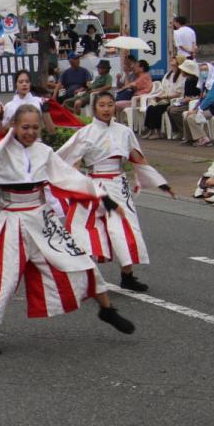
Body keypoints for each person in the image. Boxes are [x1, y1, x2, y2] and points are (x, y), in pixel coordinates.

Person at [0, 105, 136, 355]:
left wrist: (104, 199)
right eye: (25, 127)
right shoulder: (1, 148)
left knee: (80, 261)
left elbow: (69, 177)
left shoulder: (43, 152)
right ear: (14, 126)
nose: (30, 132)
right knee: (0, 276)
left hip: (43, 219)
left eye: (35, 127)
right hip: (12, 220)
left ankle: (107, 310)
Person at [57, 91, 174, 292]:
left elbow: (138, 159)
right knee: (83, 230)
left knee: (123, 230)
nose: (106, 109)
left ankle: (127, 275)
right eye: (102, 105)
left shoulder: (124, 131)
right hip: (94, 186)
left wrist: (161, 183)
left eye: (110, 104)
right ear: (95, 108)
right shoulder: (86, 133)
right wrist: (73, 185)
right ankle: (85, 277)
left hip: (118, 185)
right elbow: (71, 161)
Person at [181, 62, 214, 146]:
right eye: (201, 70)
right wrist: (194, 109)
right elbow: (201, 99)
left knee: (192, 118)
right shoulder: (205, 83)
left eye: (205, 70)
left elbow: (209, 99)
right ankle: (190, 138)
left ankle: (204, 138)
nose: (203, 72)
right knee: (186, 115)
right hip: (205, 108)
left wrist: (197, 110)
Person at [143, 56, 185, 139]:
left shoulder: (182, 76)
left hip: (173, 101)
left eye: (174, 60)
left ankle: (158, 132)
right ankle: (152, 130)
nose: (172, 61)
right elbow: (162, 89)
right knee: (150, 108)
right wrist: (158, 96)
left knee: (156, 109)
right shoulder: (168, 75)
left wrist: (164, 97)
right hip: (165, 99)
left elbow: (178, 93)